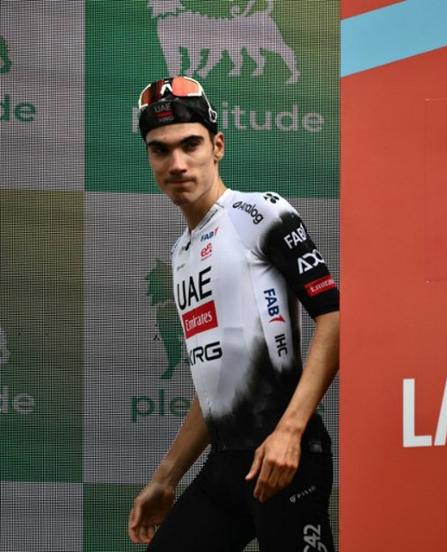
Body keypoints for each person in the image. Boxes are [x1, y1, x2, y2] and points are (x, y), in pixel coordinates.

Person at [128, 76, 339, 552]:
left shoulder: (257, 213)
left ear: (217, 146)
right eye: (160, 150)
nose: (177, 163)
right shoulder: (180, 253)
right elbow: (219, 385)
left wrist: (290, 431)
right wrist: (166, 477)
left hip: (285, 458)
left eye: (191, 144)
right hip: (227, 465)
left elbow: (335, 316)